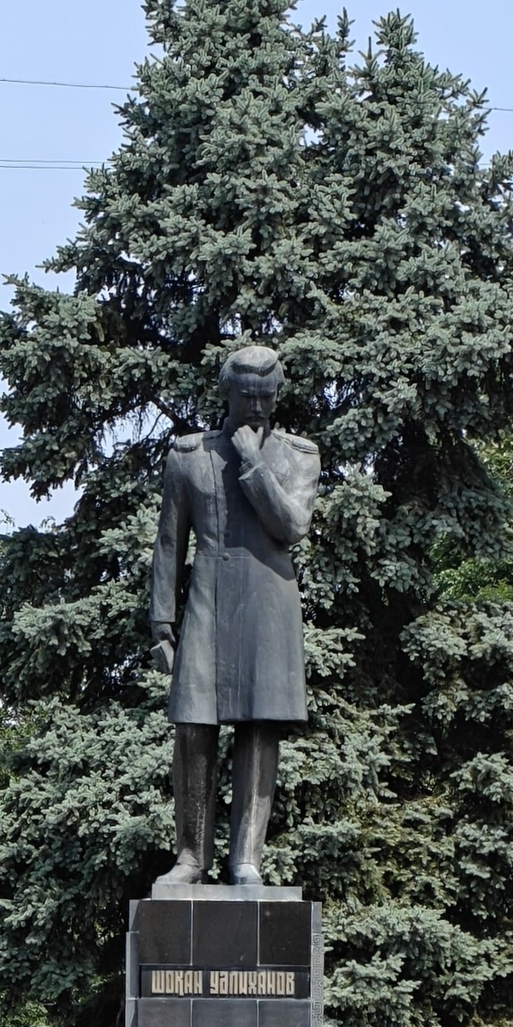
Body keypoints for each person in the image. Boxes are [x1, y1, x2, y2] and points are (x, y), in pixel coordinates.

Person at [146, 340, 319, 887]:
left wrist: (251, 461)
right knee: (194, 726)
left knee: (259, 728)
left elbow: (290, 526)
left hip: (269, 602)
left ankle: (247, 859)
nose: (259, 408)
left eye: (267, 397)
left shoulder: (298, 455)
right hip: (207, 601)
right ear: (227, 393)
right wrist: (160, 623)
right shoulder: (189, 456)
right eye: (248, 397)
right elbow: (169, 542)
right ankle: (190, 858)